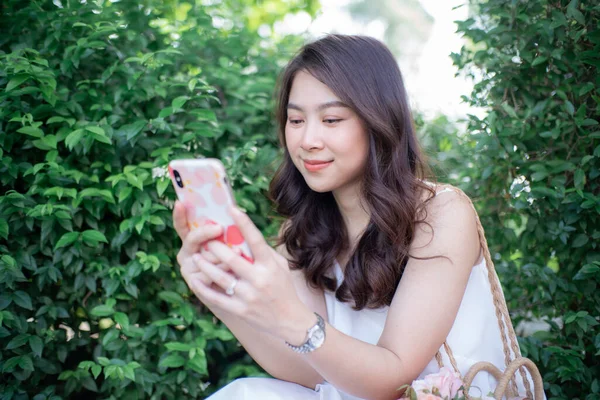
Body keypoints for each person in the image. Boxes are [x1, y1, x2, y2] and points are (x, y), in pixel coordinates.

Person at [173, 34, 536, 400]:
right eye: (296, 120)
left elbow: (393, 378)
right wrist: (222, 297)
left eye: (331, 119)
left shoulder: (441, 213)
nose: (308, 139)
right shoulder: (303, 232)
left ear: (378, 121)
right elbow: (309, 370)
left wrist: (288, 314)